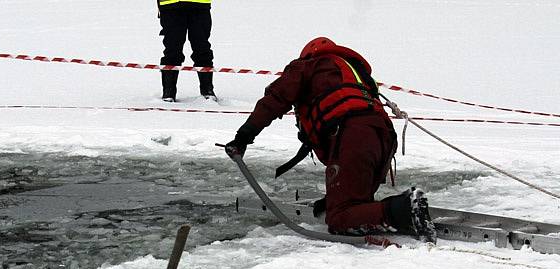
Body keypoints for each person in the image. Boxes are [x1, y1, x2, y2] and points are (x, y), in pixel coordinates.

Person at [224, 37, 436, 242]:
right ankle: (376, 207)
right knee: (354, 200)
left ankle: (405, 208)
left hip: (354, 135)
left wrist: (243, 136)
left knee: (339, 219)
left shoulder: (307, 66)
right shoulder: (354, 73)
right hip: (383, 137)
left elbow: (275, 98)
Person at [157, 0, 216, 102]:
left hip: (199, 5)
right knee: (172, 49)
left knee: (202, 48)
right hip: (171, 6)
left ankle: (207, 91)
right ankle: (168, 92)